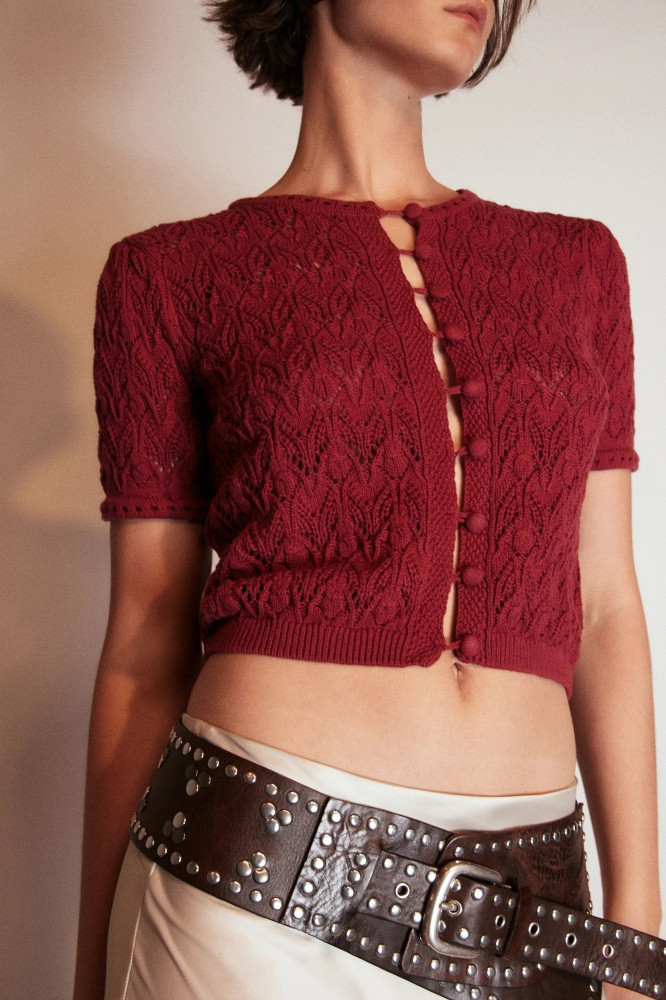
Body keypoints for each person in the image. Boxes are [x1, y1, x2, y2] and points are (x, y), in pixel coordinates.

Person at [73, 2, 663, 999]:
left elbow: (605, 605)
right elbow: (144, 638)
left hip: (531, 907)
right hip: (244, 887)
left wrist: (635, 936)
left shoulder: (579, 267)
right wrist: (91, 967)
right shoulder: (167, 276)